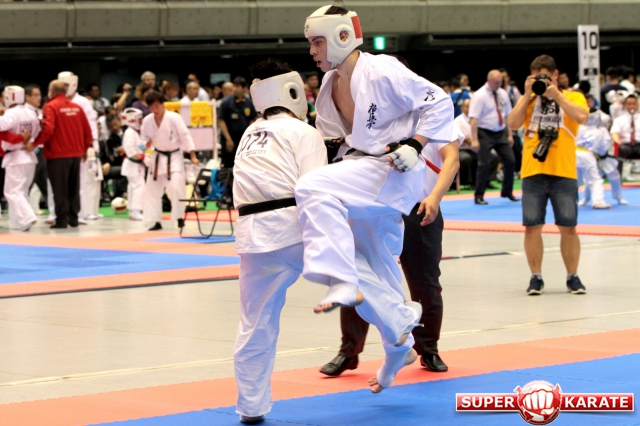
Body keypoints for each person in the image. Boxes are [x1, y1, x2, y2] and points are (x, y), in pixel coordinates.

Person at [301, 4, 458, 393]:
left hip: (392, 171)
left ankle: (336, 273)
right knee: (376, 267)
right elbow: (336, 138)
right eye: (310, 43)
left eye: (318, 42)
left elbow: (439, 101)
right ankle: (397, 347)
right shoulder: (329, 85)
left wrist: (415, 143)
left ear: (342, 37)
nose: (312, 51)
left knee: (309, 188)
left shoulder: (382, 69)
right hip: (363, 172)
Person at [321, 110, 462, 378]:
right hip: (374, 207)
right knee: (359, 277)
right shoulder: (373, 115)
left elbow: (452, 159)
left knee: (425, 280)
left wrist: (435, 197)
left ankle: (428, 348)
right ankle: (349, 351)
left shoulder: (434, 115)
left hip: (420, 206)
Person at [232, 59, 327, 426]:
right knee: (360, 271)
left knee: (254, 323)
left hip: (253, 235)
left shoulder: (250, 132)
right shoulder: (304, 132)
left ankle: (251, 407)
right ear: (292, 91)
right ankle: (398, 334)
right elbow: (316, 190)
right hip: (293, 227)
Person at [508, 54, 588, 295]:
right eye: (536, 77)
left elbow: (582, 117)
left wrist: (557, 95)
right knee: (532, 227)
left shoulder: (573, 96)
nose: (541, 81)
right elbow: (513, 124)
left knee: (569, 227)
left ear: (555, 75)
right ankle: (536, 277)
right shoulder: (529, 99)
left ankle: (573, 276)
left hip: (564, 170)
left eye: (545, 76)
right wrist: (526, 95)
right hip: (533, 171)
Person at [33, 80, 93, 229]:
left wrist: (35, 143)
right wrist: (84, 149)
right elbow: (87, 131)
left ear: (52, 91)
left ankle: (61, 219)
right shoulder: (77, 107)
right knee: (73, 187)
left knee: (59, 188)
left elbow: (48, 128)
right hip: (76, 153)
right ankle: (74, 217)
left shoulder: (51, 106)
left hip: (57, 154)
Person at [140, 91, 198, 231]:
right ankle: (156, 221)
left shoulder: (174, 118)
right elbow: (143, 140)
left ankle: (179, 217)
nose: (154, 109)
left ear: (162, 104)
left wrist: (192, 155)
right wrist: (146, 150)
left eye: (156, 105)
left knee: (176, 187)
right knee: (152, 190)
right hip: (156, 157)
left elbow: (185, 136)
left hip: (174, 157)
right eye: (151, 106)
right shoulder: (147, 120)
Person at [469, 69, 518, 204]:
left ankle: (507, 191)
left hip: (500, 132)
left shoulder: (502, 93)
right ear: (489, 81)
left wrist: (510, 134)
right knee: (484, 164)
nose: (498, 85)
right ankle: (479, 195)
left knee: (510, 160)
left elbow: (507, 115)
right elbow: (473, 119)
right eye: (496, 82)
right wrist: (474, 139)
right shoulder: (479, 95)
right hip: (484, 132)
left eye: (500, 82)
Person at [58, 71, 102, 223]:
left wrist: (93, 144)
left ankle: (79, 214)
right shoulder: (56, 101)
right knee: (58, 183)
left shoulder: (83, 102)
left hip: (80, 146)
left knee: (81, 181)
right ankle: (56, 214)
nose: (64, 88)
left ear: (74, 84)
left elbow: (91, 124)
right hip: (61, 146)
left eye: (66, 85)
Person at [576, 94, 627, 208]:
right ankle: (588, 199)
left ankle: (619, 197)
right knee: (592, 179)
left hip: (603, 157)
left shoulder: (599, 129)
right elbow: (602, 147)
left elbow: (606, 147)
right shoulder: (584, 128)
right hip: (591, 156)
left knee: (613, 176)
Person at [0, 86, 38, 231]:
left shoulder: (11, 113)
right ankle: (19, 223)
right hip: (29, 155)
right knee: (22, 191)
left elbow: (2, 127)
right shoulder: (31, 113)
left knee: (13, 192)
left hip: (15, 156)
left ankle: (27, 217)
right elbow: (36, 132)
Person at [218, 77, 258, 169]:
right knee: (228, 164)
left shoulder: (249, 102)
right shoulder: (226, 102)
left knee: (244, 163)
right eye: (234, 86)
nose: (235, 88)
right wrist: (228, 139)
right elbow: (221, 120)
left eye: (237, 86)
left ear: (244, 88)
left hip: (243, 137)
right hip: (229, 136)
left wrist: (249, 138)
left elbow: (252, 119)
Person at [120, 108, 146, 221]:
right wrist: (143, 157)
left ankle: (133, 211)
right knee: (139, 187)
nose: (142, 121)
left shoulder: (134, 132)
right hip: (133, 165)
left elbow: (141, 147)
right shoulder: (130, 132)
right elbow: (130, 150)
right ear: (132, 119)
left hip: (135, 165)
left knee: (133, 187)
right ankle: (136, 211)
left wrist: (148, 152)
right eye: (139, 119)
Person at [610, 94, 640, 165]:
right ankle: (620, 171)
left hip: (639, 144)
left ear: (637, 105)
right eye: (629, 104)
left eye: (634, 104)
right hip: (625, 145)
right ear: (625, 105)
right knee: (622, 149)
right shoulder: (619, 120)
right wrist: (618, 141)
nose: (631, 106)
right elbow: (615, 133)